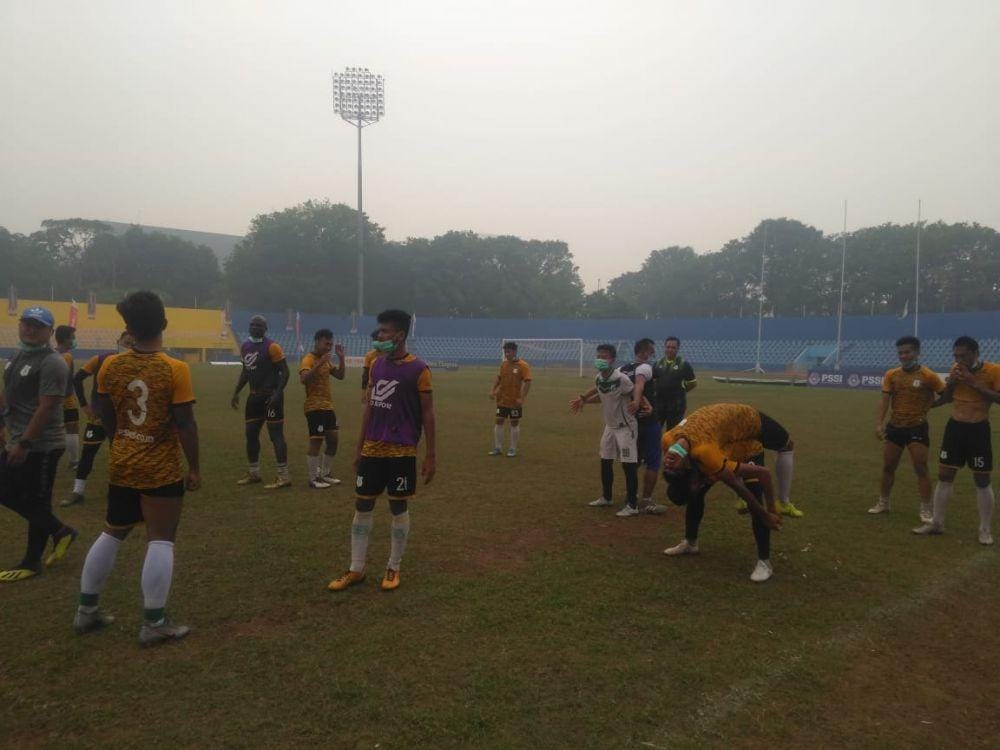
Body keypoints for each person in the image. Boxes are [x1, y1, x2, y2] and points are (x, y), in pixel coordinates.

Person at [73, 291, 200, 645]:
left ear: (128, 328)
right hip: (160, 467)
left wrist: (121, 441)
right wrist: (195, 467)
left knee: (113, 531)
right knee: (161, 539)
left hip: (122, 463)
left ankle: (86, 611)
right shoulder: (175, 369)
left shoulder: (110, 365)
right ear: (163, 323)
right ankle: (154, 621)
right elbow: (185, 424)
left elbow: (103, 410)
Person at [328, 309, 436, 592]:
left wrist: (431, 455)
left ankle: (393, 567)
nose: (379, 336)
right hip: (373, 449)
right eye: (379, 331)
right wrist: (359, 447)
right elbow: (369, 410)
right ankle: (356, 569)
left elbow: (428, 414)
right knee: (362, 504)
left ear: (399, 335)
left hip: (401, 450)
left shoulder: (419, 369)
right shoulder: (375, 365)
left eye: (385, 331)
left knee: (397, 506)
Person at [659, 404, 787, 581]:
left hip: (746, 436)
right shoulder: (669, 443)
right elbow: (682, 458)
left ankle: (764, 562)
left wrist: (768, 512)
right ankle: (691, 543)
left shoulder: (706, 455)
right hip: (721, 441)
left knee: (754, 497)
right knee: (695, 494)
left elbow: (754, 478)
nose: (668, 463)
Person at [0, 306, 77, 582]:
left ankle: (32, 561)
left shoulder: (52, 363)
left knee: (36, 499)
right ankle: (59, 531)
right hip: (17, 438)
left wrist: (24, 442)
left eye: (37, 326)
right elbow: (7, 393)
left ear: (49, 332)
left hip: (41, 445)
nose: (30, 330)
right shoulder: (18, 355)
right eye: (26, 324)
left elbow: (46, 408)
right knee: (11, 492)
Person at [913, 336, 1000, 544]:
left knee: (981, 479)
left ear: (975, 353)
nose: (959, 359)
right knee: (944, 474)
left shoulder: (994, 370)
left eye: (963, 355)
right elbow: (948, 398)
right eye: (956, 356)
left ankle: (985, 529)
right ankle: (937, 523)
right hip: (955, 427)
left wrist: (973, 383)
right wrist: (949, 386)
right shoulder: (956, 369)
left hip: (978, 428)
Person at [868, 336, 946, 521]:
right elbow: (885, 400)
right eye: (900, 353)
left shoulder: (928, 376)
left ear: (917, 353)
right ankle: (883, 503)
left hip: (917, 428)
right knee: (888, 467)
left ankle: (926, 509)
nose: (903, 356)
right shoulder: (892, 375)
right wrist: (879, 423)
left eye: (907, 352)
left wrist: (931, 405)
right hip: (895, 427)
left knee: (921, 468)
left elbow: (946, 395)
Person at [61, 331, 134, 507]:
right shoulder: (100, 360)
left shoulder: (136, 364)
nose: (128, 346)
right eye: (126, 342)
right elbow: (77, 379)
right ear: (118, 341)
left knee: (122, 456)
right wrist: (85, 405)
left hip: (123, 420)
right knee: (88, 453)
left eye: (132, 344)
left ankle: (123, 492)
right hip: (99, 419)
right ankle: (77, 491)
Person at [570, 344, 643, 518]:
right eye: (599, 356)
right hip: (609, 427)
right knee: (605, 460)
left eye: (605, 356)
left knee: (628, 465)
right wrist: (584, 400)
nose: (601, 359)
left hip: (626, 428)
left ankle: (632, 505)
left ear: (612, 359)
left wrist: (641, 404)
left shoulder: (621, 378)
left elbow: (636, 393)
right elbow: (601, 395)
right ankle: (607, 497)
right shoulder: (599, 378)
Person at [231, 314, 290, 489]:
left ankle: (284, 476)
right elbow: (245, 371)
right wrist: (236, 392)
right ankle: (254, 473)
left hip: (271, 397)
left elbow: (285, 372)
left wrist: (277, 394)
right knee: (250, 434)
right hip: (254, 397)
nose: (255, 327)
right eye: (253, 324)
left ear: (265, 329)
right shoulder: (245, 347)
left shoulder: (272, 347)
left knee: (275, 436)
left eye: (259, 325)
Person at [620, 338, 667, 514]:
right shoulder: (645, 367)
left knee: (633, 459)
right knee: (653, 461)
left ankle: (631, 496)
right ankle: (646, 500)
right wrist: (640, 401)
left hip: (630, 423)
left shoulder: (622, 368)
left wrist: (585, 398)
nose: (653, 354)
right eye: (651, 350)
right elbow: (638, 384)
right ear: (645, 351)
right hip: (648, 422)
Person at [299, 328, 346, 489]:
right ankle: (313, 478)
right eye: (326, 344)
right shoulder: (308, 359)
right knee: (316, 441)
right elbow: (303, 379)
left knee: (333, 440)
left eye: (331, 345)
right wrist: (319, 363)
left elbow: (340, 376)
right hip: (314, 407)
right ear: (318, 341)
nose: (328, 347)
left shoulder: (326, 360)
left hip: (327, 406)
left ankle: (325, 473)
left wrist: (341, 358)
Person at [488, 342, 531, 457]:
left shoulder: (523, 365)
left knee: (514, 422)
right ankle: (498, 447)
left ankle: (512, 448)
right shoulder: (504, 364)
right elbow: (499, 378)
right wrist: (493, 390)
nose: (506, 354)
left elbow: (527, 382)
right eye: (505, 352)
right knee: (499, 420)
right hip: (502, 400)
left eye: (509, 352)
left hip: (514, 401)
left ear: (514, 352)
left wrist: (522, 398)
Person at [653, 336, 696, 430]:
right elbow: (653, 381)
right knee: (655, 429)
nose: (670, 350)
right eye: (668, 347)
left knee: (673, 432)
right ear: (664, 347)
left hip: (676, 405)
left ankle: (671, 445)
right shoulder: (657, 363)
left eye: (673, 348)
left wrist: (681, 390)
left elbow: (692, 382)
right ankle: (656, 445)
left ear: (678, 349)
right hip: (659, 404)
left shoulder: (684, 364)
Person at [54, 325, 80, 470]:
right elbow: (68, 380)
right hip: (66, 398)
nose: (74, 340)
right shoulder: (67, 356)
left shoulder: (51, 353)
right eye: (72, 337)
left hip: (52, 399)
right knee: (72, 428)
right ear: (65, 339)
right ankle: (74, 461)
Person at [360, 330, 379, 403]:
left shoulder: (390, 355)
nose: (376, 342)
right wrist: (363, 392)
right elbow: (365, 375)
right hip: (372, 389)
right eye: (374, 340)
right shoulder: (369, 355)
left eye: (377, 340)